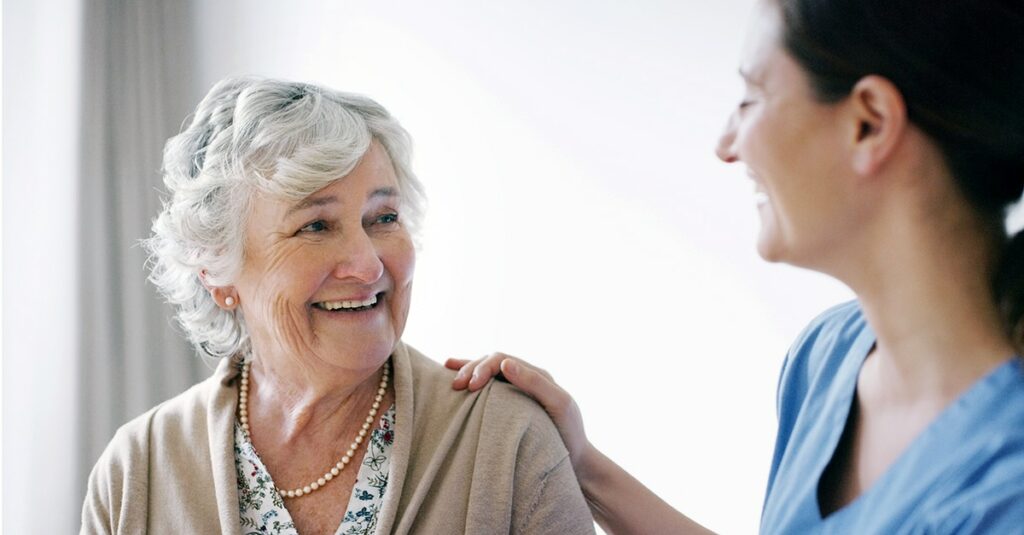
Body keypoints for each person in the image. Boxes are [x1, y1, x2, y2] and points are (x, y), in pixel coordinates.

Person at [448, 0, 1024, 532]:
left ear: (868, 123)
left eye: (750, 99)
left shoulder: (1006, 486)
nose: (727, 143)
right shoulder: (826, 356)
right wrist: (582, 463)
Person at [81, 77, 594, 535]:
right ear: (218, 273)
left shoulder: (504, 443)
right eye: (316, 226)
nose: (368, 265)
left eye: (383, 217)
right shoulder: (137, 471)